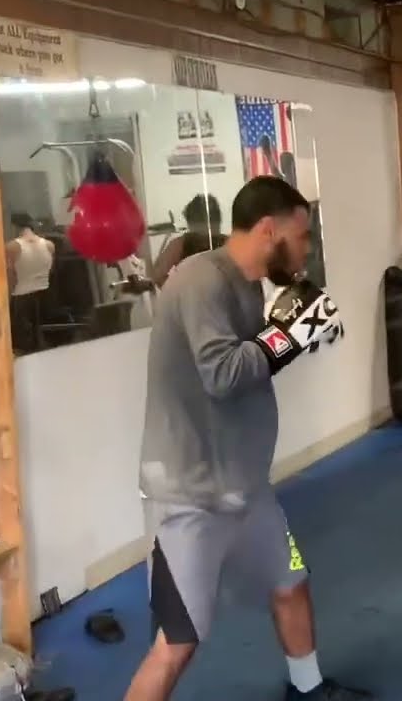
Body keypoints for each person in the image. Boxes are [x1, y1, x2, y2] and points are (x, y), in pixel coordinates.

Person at [126, 176, 370, 701]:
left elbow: (251, 363)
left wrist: (293, 337)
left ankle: (307, 689)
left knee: (292, 583)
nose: (306, 249)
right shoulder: (199, 281)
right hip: (188, 499)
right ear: (268, 230)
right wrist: (289, 336)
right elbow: (223, 374)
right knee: (178, 641)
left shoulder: (245, 284)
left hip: (248, 490)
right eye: (300, 237)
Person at [150, 193, 228, 287]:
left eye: (212, 221)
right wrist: (180, 291)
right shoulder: (180, 244)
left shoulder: (228, 242)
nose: (207, 228)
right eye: (202, 222)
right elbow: (157, 275)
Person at [5, 212, 55, 354]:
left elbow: (11, 277)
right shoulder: (49, 245)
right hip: (48, 297)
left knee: (24, 348)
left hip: (22, 299)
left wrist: (6, 298)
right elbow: (51, 271)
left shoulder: (12, 247)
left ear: (13, 226)